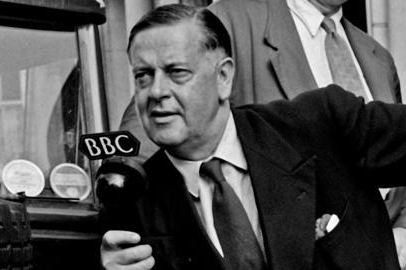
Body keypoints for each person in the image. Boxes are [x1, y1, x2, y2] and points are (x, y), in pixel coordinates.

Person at [100, 4, 406, 270]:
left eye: (176, 72)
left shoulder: (321, 123)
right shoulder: (134, 208)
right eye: (143, 75)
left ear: (224, 77)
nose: (155, 91)